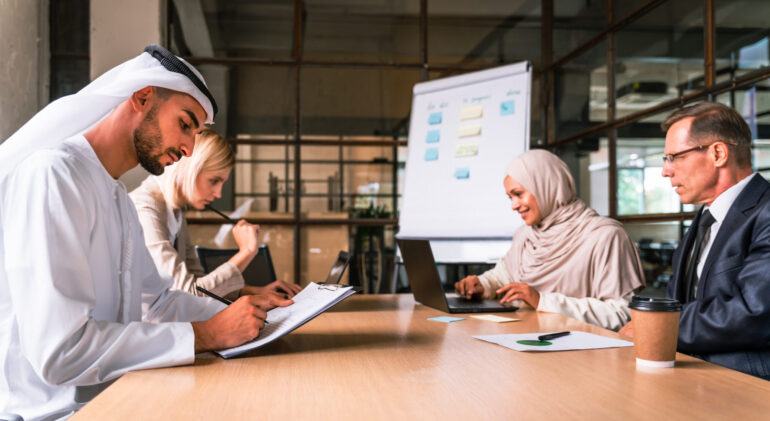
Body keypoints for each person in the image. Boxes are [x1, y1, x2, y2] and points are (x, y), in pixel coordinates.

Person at [0, 45, 292, 420]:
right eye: (185, 124)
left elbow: (158, 305)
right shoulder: (53, 176)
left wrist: (253, 317)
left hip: (114, 397)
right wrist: (207, 335)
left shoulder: (117, 197)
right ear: (142, 98)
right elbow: (62, 353)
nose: (189, 148)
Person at [619, 102, 770, 380]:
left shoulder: (766, 211)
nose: (666, 171)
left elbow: (755, 313)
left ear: (718, 153)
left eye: (674, 157)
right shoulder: (705, 217)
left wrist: (656, 326)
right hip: (686, 374)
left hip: (745, 386)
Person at [454, 149, 645, 331]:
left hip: (582, 355)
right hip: (527, 343)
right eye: (510, 197)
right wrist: (481, 285)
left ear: (547, 185)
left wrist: (542, 301)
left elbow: (622, 313)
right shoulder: (526, 235)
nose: (513, 205)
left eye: (519, 194)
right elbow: (504, 276)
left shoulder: (605, 236)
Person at [129, 128, 302, 299]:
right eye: (214, 181)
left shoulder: (175, 212)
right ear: (191, 170)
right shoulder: (145, 210)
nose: (218, 194)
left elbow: (197, 280)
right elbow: (189, 293)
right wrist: (246, 252)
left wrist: (252, 292)